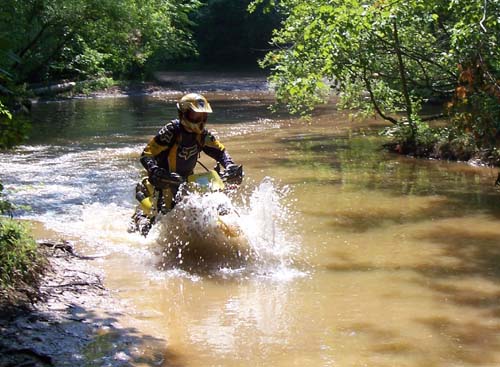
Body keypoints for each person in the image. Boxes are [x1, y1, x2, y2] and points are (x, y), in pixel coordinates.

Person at [130, 93, 243, 235]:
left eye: (203, 116)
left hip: (188, 180)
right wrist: (155, 170)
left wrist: (230, 166)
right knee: (163, 221)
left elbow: (220, 151)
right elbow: (147, 154)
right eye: (196, 116)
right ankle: (142, 220)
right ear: (183, 114)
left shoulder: (202, 135)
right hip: (165, 181)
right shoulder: (172, 131)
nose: (200, 120)